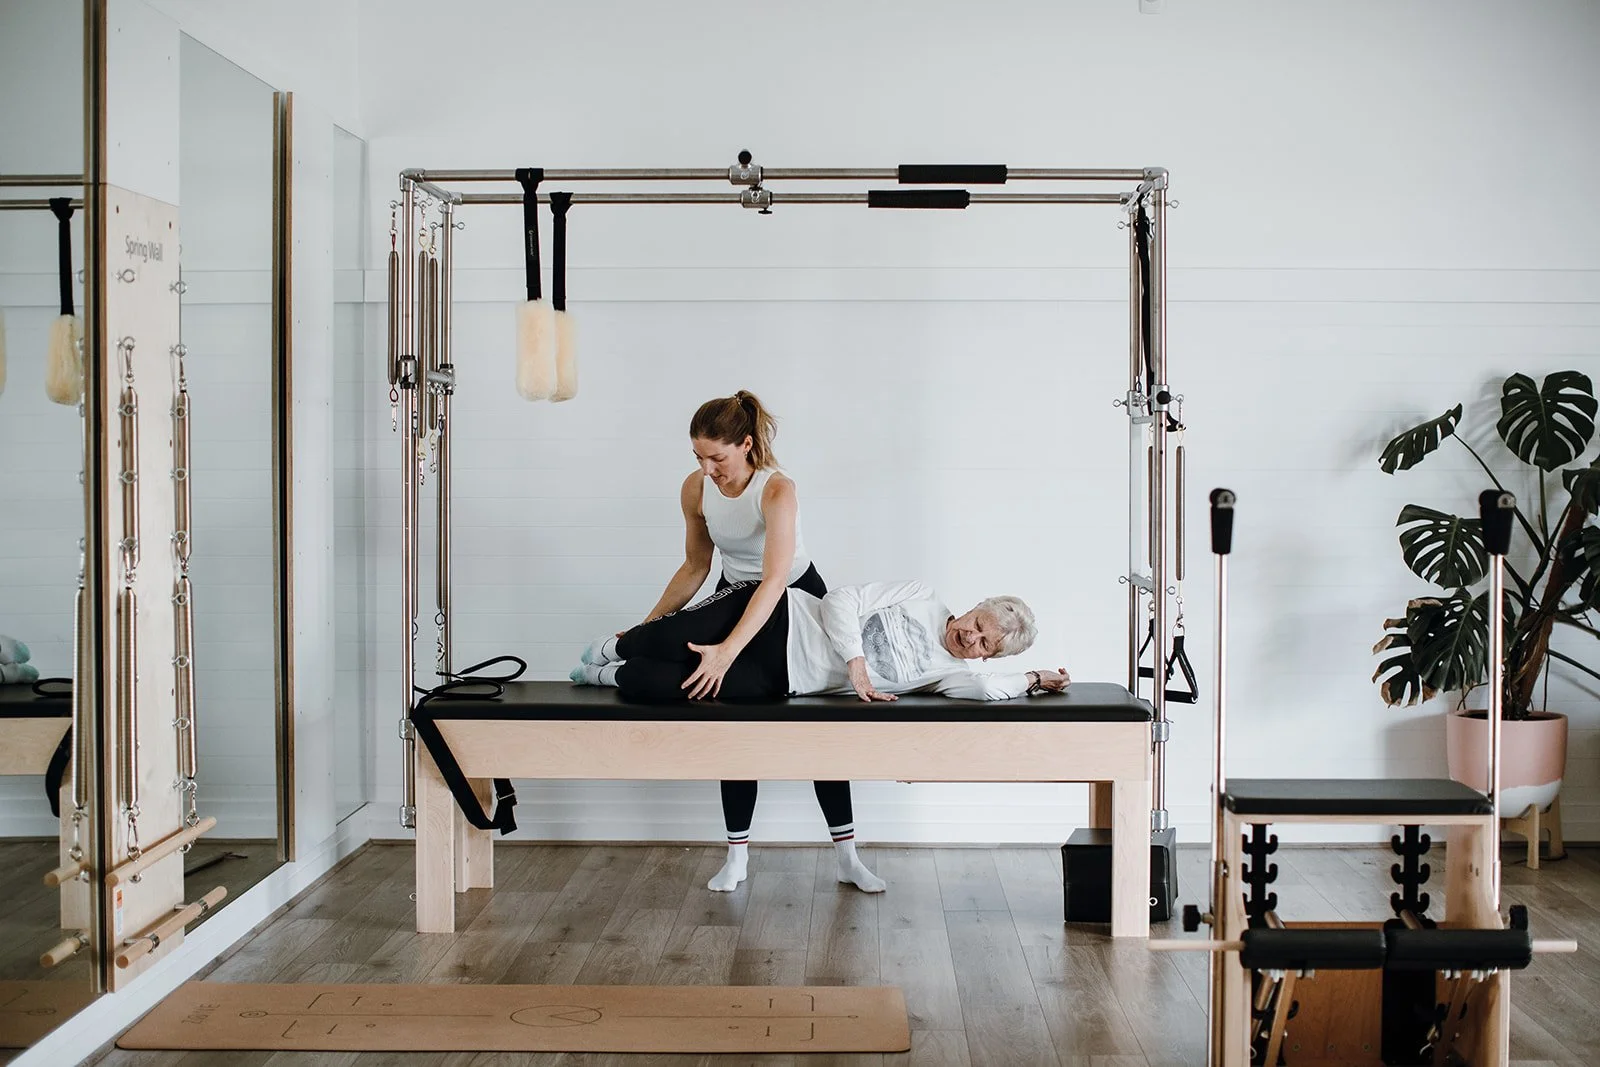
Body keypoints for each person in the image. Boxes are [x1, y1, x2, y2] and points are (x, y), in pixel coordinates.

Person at [573, 579, 1071, 888]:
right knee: (662, 637)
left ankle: (600, 676)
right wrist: (856, 662)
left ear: (988, 658)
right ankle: (605, 650)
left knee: (657, 682)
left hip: (781, 678)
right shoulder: (921, 594)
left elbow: (986, 693)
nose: (971, 637)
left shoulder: (948, 676)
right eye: (978, 623)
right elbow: (841, 599)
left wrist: (1034, 679)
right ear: (974, 606)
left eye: (985, 645)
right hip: (778, 614)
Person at [591, 390, 872, 893]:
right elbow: (696, 566)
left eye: (716, 457)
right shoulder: (695, 490)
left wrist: (727, 652)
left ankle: (848, 857)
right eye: (698, 457)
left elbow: (773, 581)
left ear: (746, 445)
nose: (707, 468)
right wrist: (647, 629)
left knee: (819, 732)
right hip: (732, 595)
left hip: (794, 601)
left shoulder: (776, 490)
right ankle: (737, 857)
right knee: (733, 720)